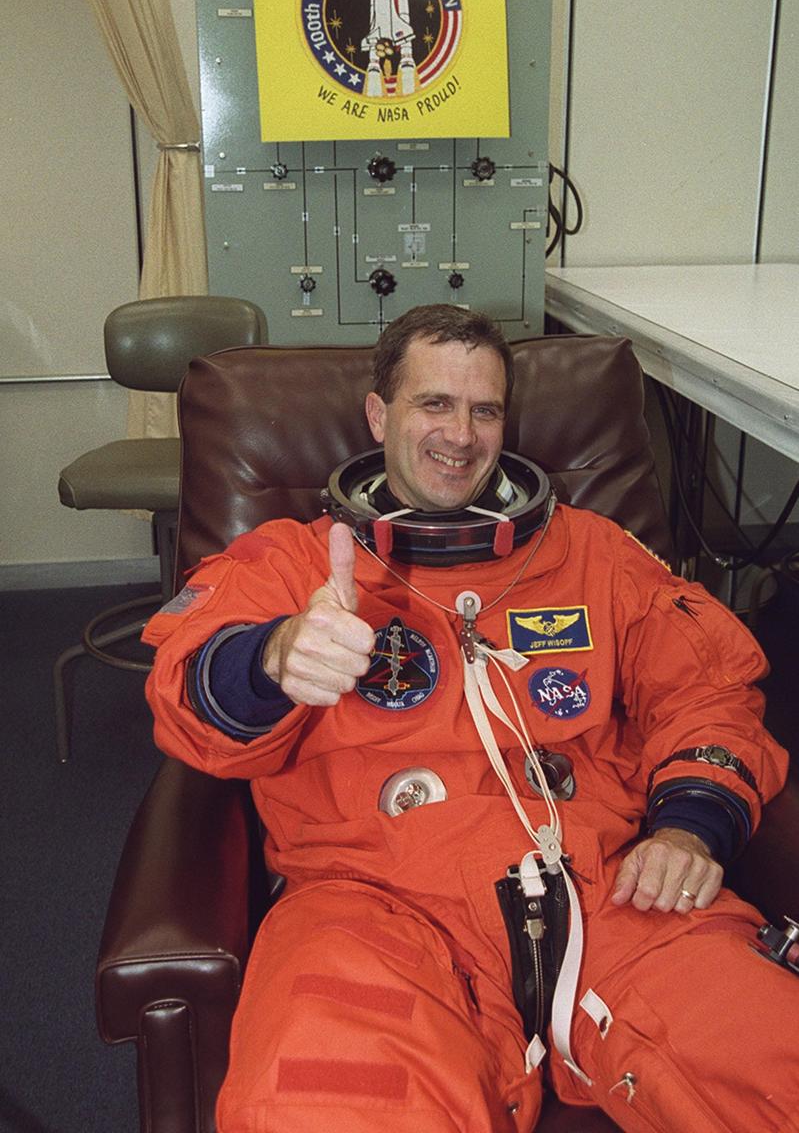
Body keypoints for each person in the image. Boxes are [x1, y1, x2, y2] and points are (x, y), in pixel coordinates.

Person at [144, 304, 797, 1133]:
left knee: (773, 1062)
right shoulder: (290, 561)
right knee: (324, 1107)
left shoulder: (592, 553)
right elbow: (182, 690)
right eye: (434, 405)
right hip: (370, 901)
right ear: (379, 414)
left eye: (483, 409)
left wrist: (690, 829)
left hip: (607, 886)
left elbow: (708, 689)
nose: (460, 434)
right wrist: (272, 659)